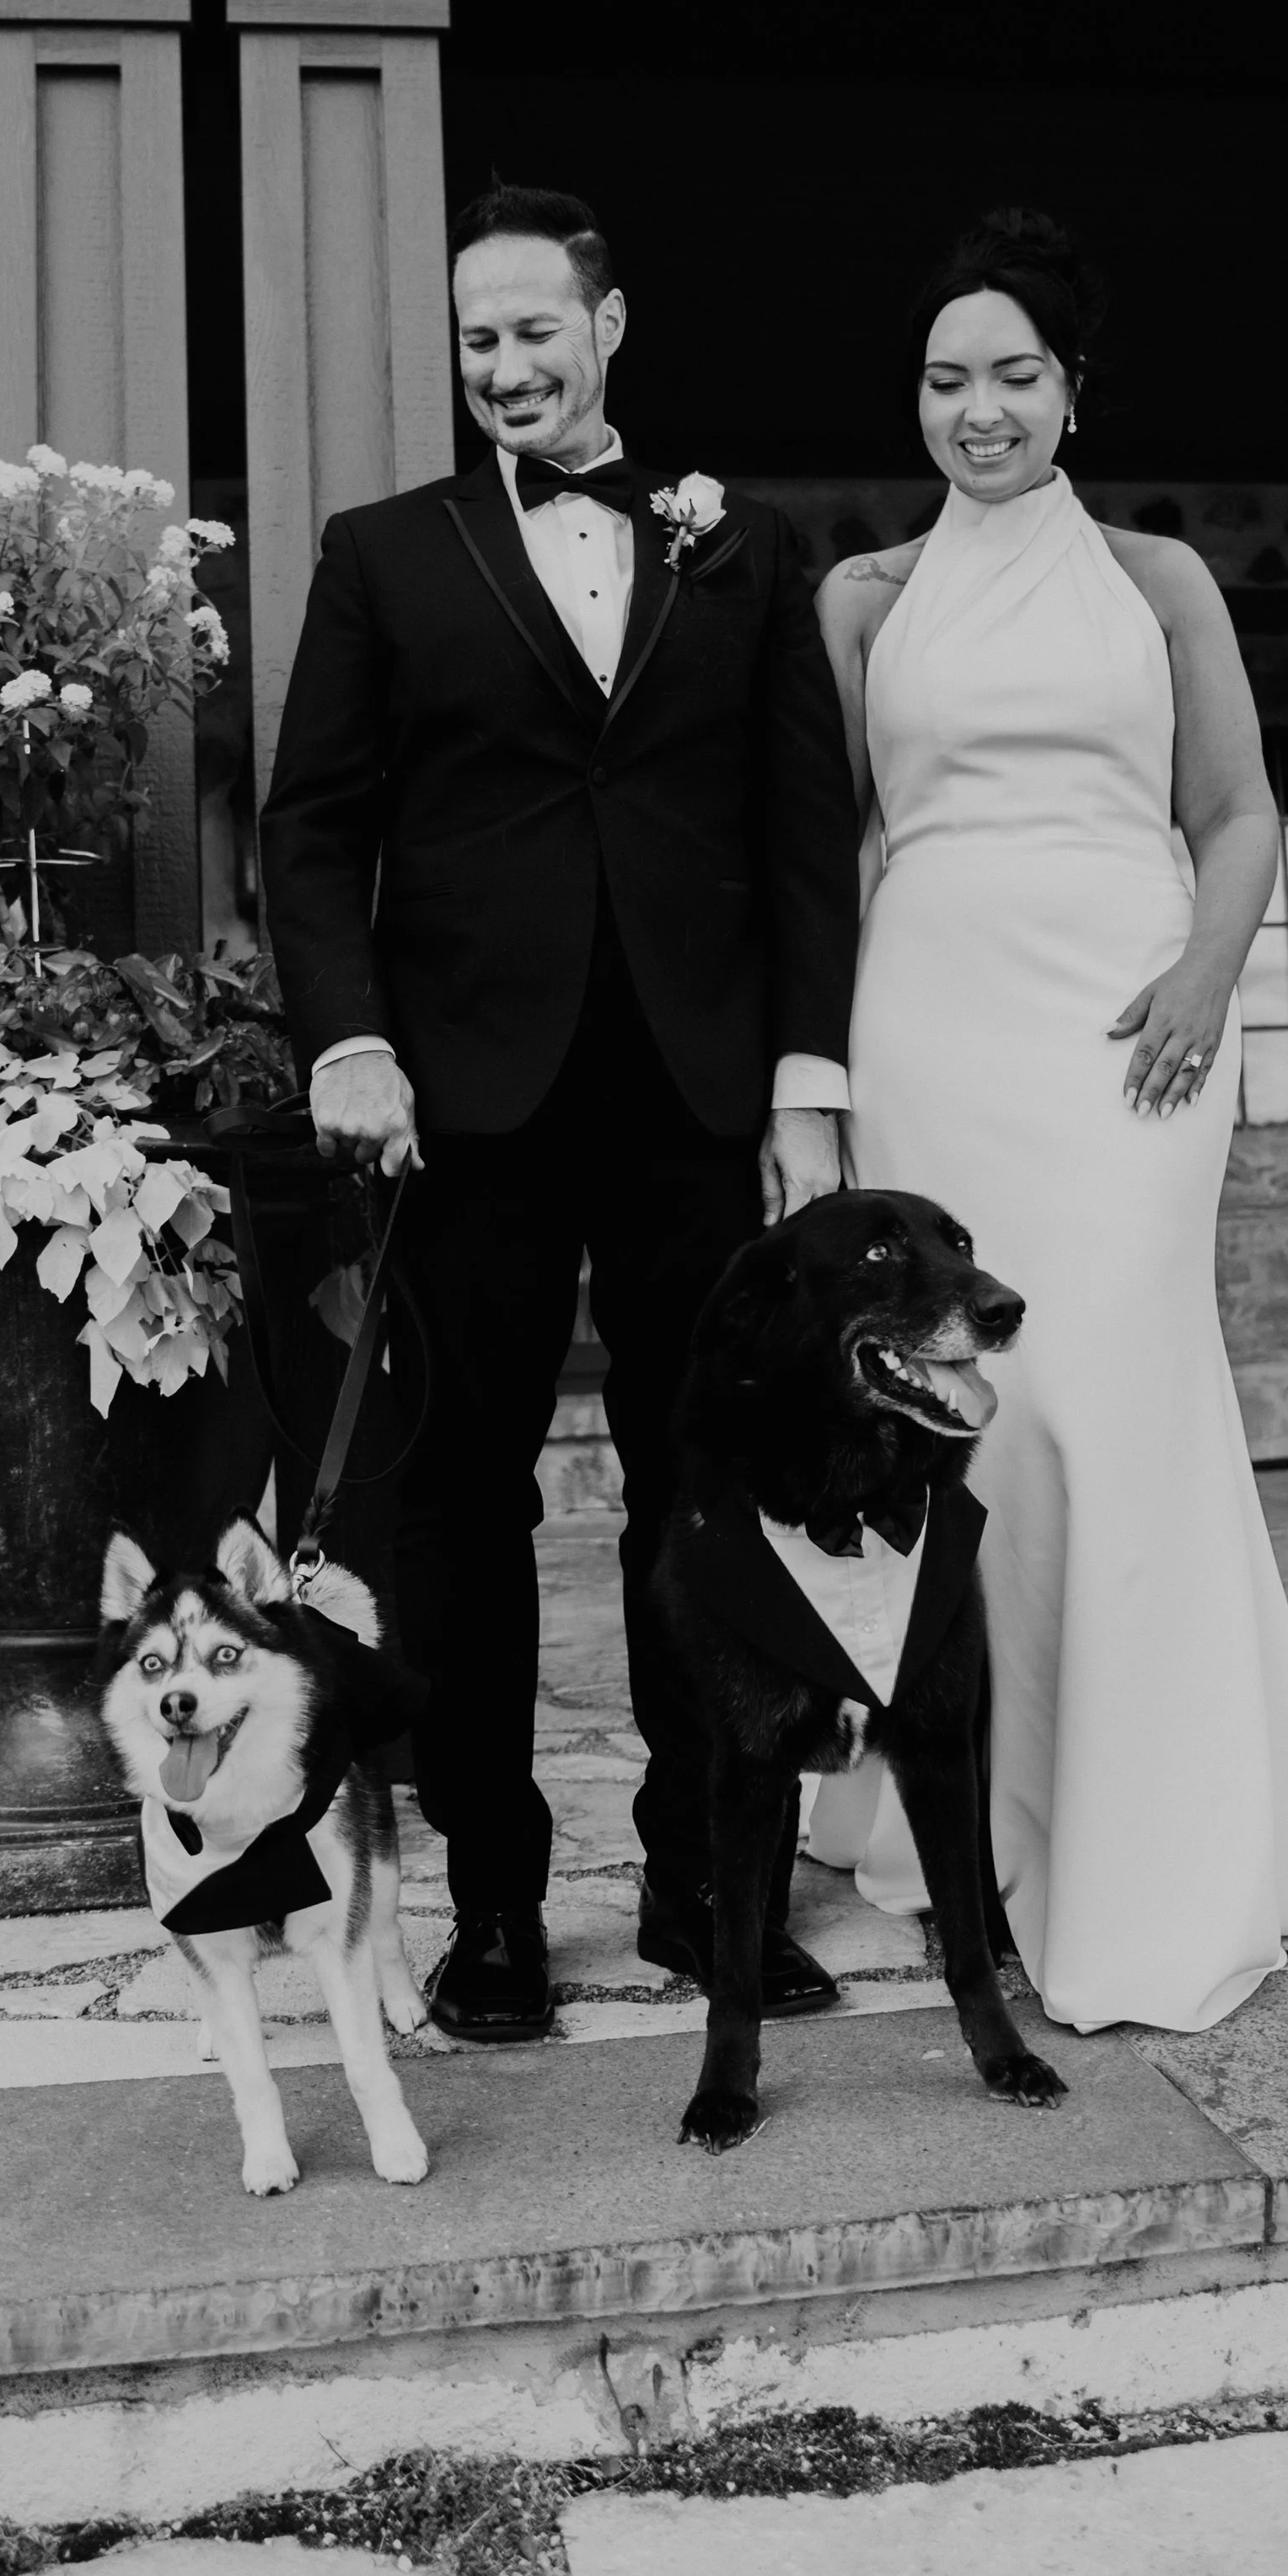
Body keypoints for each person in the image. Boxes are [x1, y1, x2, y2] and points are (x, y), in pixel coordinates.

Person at [810, 207, 1288, 2035]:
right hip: (932, 1009)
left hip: (1130, 1022)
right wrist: (816, 1080)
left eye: (1011, 375)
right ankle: (972, 1811)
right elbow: (840, 843)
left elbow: (1231, 810)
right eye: (943, 378)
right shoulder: (860, 601)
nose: (976, 409)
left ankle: (1145, 1857)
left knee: (1111, 1386)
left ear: (1070, 392)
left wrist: (1208, 984)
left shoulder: (1154, 581)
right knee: (970, 1415)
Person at [260, 182, 863, 2041]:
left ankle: (705, 1883)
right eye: (473, 338)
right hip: (470, 1102)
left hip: (692, 1096)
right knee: (460, 1496)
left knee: (707, 1495)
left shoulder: (739, 550)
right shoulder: (382, 552)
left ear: (609, 326)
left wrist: (807, 1083)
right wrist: (348, 1038)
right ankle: (499, 1902)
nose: (501, 365)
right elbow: (310, 827)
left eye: (531, 328)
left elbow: (793, 836)